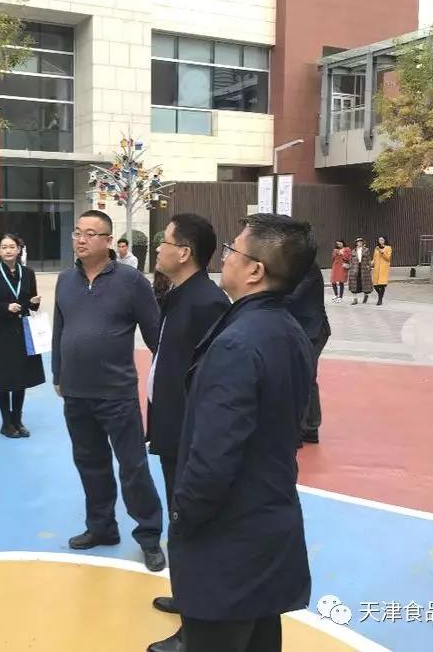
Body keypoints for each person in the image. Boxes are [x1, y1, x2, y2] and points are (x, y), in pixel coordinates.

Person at [151, 214, 314, 652]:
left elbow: (214, 456)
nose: (224, 258)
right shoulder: (288, 330)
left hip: (229, 540)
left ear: (255, 270)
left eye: (232, 250)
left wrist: (183, 516)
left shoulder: (237, 344)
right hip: (267, 525)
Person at [52, 210, 166, 572]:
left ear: (107, 240)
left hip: (117, 393)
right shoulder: (65, 281)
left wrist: (168, 381)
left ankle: (149, 535)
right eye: (77, 233)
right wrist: (58, 373)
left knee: (133, 466)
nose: (81, 239)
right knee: (90, 463)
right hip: (76, 392)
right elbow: (59, 330)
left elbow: (155, 335)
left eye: (90, 234)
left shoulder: (131, 281)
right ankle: (101, 527)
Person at [146, 214, 230, 650]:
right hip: (170, 428)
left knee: (192, 528)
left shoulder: (208, 303)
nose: (158, 247)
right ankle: (186, 598)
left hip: (188, 436)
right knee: (180, 525)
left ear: (184, 252)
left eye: (165, 241)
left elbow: (208, 381)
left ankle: (194, 631)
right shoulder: (178, 293)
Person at [0, 233, 45, 438]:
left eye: (11, 247)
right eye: (4, 247)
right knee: (4, 377)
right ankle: (6, 423)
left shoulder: (28, 273)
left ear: (18, 250)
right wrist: (5, 307)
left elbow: (31, 304)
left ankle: (17, 420)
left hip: (24, 329)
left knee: (21, 377)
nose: (8, 250)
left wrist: (34, 303)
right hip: (3, 331)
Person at [284, 260, 331, 445]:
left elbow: (293, 297)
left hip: (313, 330)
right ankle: (310, 427)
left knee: (304, 377)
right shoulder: (294, 265)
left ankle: (302, 429)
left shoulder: (307, 265)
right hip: (303, 328)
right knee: (306, 377)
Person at [348, 237, 373, 305]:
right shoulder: (353, 251)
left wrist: (369, 266)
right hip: (355, 268)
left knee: (365, 283)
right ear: (356, 243)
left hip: (364, 268)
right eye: (358, 242)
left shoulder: (366, 250)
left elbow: (369, 259)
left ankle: (366, 295)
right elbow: (350, 260)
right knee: (354, 284)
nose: (359, 243)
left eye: (361, 242)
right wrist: (350, 267)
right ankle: (355, 299)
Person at [372, 236, 392, 306]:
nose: (380, 241)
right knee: (375, 285)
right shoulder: (376, 248)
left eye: (382, 240)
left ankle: (380, 300)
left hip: (383, 269)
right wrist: (370, 264)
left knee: (382, 285)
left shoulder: (388, 248)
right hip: (377, 269)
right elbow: (374, 258)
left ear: (385, 240)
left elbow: (388, 258)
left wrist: (381, 252)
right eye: (379, 240)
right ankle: (380, 295)